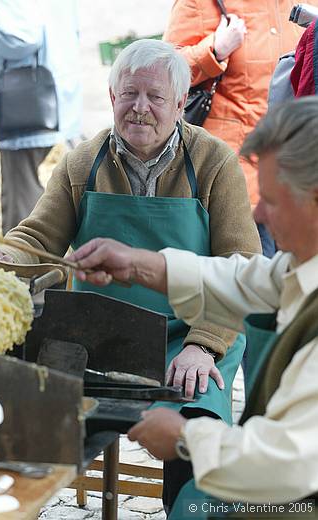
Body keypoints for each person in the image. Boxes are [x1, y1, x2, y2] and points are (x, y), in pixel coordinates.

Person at [0, 38, 260, 510]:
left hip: (189, 334)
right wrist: (6, 255)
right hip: (98, 333)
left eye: (155, 98)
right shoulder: (83, 162)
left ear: (179, 103)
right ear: (112, 97)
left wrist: (203, 345)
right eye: (129, 94)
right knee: (24, 410)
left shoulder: (215, 163)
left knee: (196, 434)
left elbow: (241, 268)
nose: (140, 108)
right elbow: (37, 238)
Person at [67, 96, 318, 517]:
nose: (259, 211)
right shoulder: (302, 266)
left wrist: (187, 437)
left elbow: (289, 464)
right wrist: (139, 264)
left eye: (271, 200)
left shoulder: (211, 159)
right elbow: (247, 279)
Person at [163, 0, 318, 258]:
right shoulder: (202, 3)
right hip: (239, 182)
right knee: (253, 282)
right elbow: (163, 73)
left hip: (300, 180)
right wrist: (214, 50)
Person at [0, 0, 82, 233]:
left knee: (20, 198)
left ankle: (23, 266)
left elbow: (21, 38)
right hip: (51, 92)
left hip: (27, 102)